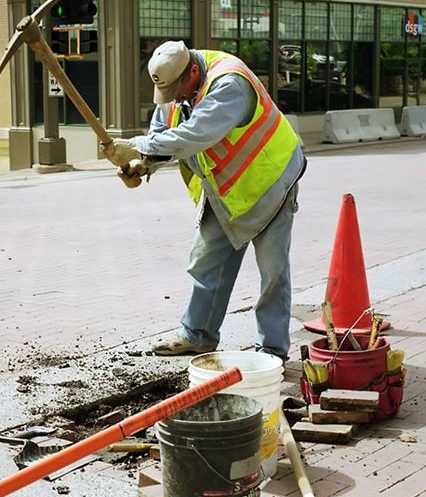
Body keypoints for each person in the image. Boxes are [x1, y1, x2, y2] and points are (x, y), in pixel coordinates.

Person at [102, 40, 306, 360]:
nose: (174, 100)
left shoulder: (230, 84)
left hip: (271, 182)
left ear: (193, 72)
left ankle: (271, 350)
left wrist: (137, 146)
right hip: (226, 191)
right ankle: (197, 334)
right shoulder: (174, 86)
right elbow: (162, 135)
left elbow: (194, 135)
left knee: (273, 271)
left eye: (177, 92)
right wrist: (142, 165)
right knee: (206, 261)